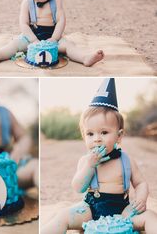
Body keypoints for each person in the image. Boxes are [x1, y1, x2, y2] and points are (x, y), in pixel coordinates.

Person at [41, 78, 157, 234]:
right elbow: (78, 187)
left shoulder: (126, 160)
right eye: (90, 134)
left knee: (150, 217)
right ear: (84, 136)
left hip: (122, 210)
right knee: (62, 216)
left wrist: (141, 199)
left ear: (119, 136)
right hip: (90, 209)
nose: (96, 138)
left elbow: (141, 183)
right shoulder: (85, 161)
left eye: (104, 132)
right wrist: (89, 166)